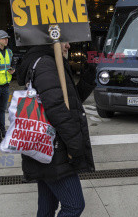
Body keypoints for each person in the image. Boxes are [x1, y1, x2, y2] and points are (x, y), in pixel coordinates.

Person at [17, 42, 96, 217]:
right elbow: (57, 108)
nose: (68, 45)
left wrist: (88, 78)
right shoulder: (46, 64)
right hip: (56, 150)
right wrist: (76, 145)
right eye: (63, 41)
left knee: (46, 209)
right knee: (74, 205)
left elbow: (69, 102)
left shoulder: (48, 61)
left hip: (47, 149)